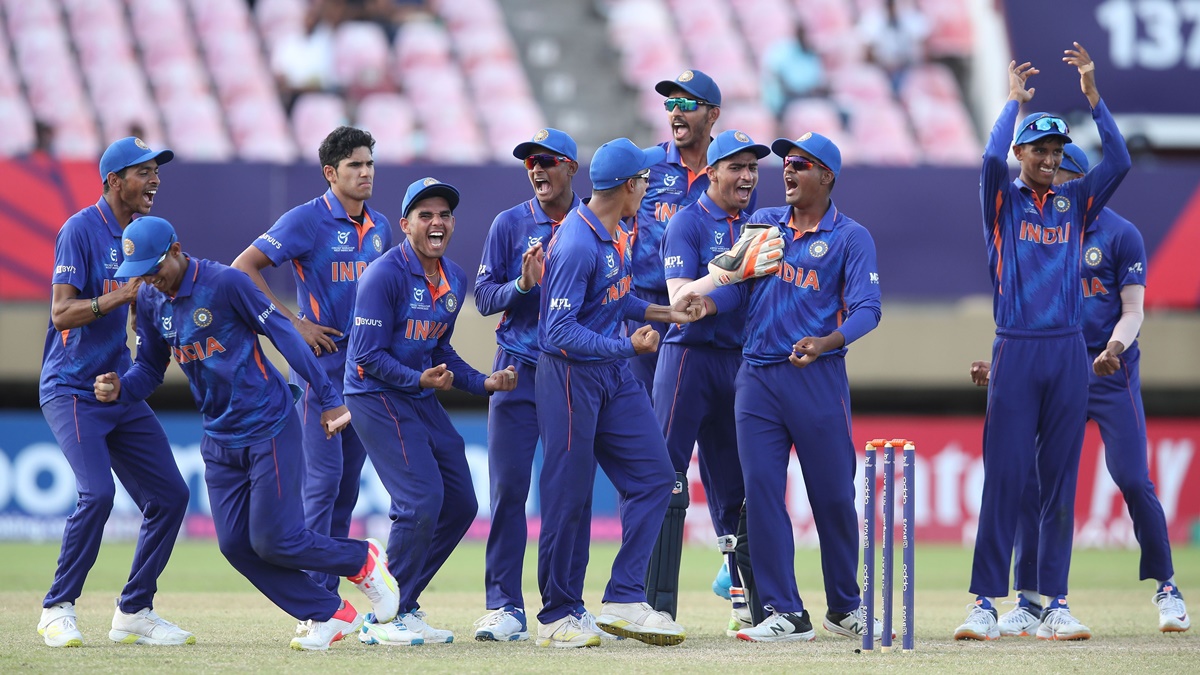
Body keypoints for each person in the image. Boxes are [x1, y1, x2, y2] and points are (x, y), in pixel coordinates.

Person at [94, 216, 400, 651]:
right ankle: (328, 612)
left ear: (177, 250)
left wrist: (329, 398)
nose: (149, 280)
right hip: (219, 438)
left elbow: (284, 335)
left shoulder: (226, 283)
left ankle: (361, 560)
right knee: (236, 545)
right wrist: (122, 388)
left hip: (268, 425)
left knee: (275, 539)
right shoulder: (149, 299)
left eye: (154, 268)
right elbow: (149, 369)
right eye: (140, 274)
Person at [969, 144, 1188, 636]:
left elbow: (1134, 311)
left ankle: (1167, 586)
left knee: (1132, 477)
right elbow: (1021, 303)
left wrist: (1113, 347)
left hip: (1109, 373)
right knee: (1031, 485)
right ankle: (1028, 600)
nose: (1052, 181)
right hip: (1051, 367)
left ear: (1086, 182)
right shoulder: (1034, 222)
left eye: (1064, 173)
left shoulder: (1120, 234)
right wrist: (1003, 366)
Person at [953, 44, 1131, 642]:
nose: (1051, 159)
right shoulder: (999, 198)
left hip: (1068, 352)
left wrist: (1093, 97)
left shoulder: (1075, 202)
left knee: (1058, 483)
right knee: (1005, 477)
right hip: (1016, 348)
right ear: (1021, 153)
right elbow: (984, 160)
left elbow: (1122, 160)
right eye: (1041, 150)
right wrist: (1012, 103)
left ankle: (1053, 601)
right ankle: (984, 602)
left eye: (1058, 151)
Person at [698, 132, 883, 642]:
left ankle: (845, 607)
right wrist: (708, 304)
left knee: (832, 497)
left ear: (826, 175)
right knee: (760, 494)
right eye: (785, 163)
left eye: (800, 164)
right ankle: (785, 611)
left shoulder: (850, 236)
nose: (787, 170)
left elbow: (869, 308)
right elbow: (738, 291)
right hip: (756, 378)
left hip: (817, 377)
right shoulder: (763, 224)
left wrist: (827, 342)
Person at [534, 138, 705, 648]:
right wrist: (623, 345)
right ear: (629, 186)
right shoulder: (576, 243)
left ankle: (625, 597)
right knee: (568, 497)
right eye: (645, 183)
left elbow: (616, 296)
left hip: (611, 373)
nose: (649, 191)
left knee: (656, 477)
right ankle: (557, 615)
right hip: (569, 378)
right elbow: (556, 332)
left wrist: (668, 313)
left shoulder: (616, 233)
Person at [344, 177, 519, 646]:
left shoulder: (453, 278)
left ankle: (405, 601)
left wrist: (483, 382)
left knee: (461, 502)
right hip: (375, 396)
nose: (437, 222)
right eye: (426, 215)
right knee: (420, 501)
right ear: (405, 225)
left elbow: (441, 350)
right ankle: (382, 619)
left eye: (444, 215)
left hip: (417, 396)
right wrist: (418, 379)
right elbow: (366, 357)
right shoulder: (384, 274)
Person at [36, 136, 193, 648]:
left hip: (115, 387)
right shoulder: (80, 229)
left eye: (157, 171)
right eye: (144, 172)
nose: (155, 180)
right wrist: (119, 295)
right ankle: (57, 608)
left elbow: (145, 315)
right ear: (113, 181)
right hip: (71, 388)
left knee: (171, 496)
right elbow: (61, 312)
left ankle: (134, 611)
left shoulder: (143, 236)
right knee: (98, 494)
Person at [232, 126, 390, 606]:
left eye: (369, 163)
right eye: (354, 166)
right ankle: (315, 605)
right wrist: (293, 324)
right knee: (319, 486)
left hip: (365, 374)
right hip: (320, 372)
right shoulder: (306, 220)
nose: (365, 173)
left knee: (345, 489)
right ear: (330, 173)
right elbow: (243, 268)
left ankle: (327, 596)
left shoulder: (381, 226)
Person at [645, 129, 767, 632]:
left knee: (738, 490)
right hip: (687, 361)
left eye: (753, 169)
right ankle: (654, 607)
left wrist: (720, 284)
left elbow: (748, 295)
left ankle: (751, 604)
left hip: (738, 361)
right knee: (665, 479)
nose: (746, 177)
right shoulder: (686, 223)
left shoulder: (759, 224)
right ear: (711, 171)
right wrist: (734, 269)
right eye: (736, 167)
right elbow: (679, 302)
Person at [471, 129, 589, 642]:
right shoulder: (509, 223)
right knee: (509, 489)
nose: (536, 170)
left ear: (571, 168)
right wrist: (523, 285)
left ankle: (563, 605)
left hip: (574, 374)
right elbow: (482, 297)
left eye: (545, 161)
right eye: (528, 163)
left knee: (567, 494)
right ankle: (504, 606)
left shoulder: (596, 222)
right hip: (518, 368)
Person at [628, 69, 723, 401]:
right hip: (646, 304)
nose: (675, 111)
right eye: (670, 104)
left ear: (713, 114)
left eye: (686, 103)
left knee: (688, 415)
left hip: (700, 308)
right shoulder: (648, 164)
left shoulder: (730, 171)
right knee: (640, 410)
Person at [761, 24, 827, 119]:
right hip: (786, 101)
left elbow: (817, 83)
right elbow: (779, 81)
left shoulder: (812, 56)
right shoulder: (782, 52)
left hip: (809, 99)